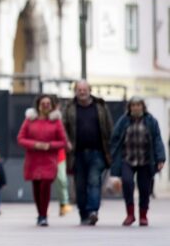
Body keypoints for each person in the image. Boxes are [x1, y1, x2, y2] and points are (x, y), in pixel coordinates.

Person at [62, 80, 114, 226]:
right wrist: (66, 141)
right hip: (76, 153)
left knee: (94, 181)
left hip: (97, 152)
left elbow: (109, 127)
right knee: (80, 185)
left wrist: (111, 149)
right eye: (79, 89)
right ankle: (83, 213)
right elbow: (62, 126)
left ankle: (93, 211)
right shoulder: (69, 107)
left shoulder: (101, 106)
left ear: (90, 90)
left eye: (84, 89)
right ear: (75, 91)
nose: (82, 92)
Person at [110, 96, 166, 226]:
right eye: (133, 105)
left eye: (138, 105)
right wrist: (113, 154)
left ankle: (143, 215)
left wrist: (160, 158)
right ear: (129, 107)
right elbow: (115, 138)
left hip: (145, 160)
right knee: (128, 183)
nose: (135, 108)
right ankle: (130, 214)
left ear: (143, 106)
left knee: (144, 188)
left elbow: (157, 139)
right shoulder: (124, 121)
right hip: (127, 159)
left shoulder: (151, 121)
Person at [18, 94, 67, 226]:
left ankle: (44, 215)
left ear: (51, 106)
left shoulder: (56, 122)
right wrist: (35, 144)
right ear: (38, 105)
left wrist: (49, 145)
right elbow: (21, 138)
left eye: (48, 103)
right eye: (43, 103)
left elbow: (63, 142)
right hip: (33, 159)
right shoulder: (30, 120)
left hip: (49, 160)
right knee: (36, 186)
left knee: (45, 185)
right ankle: (40, 214)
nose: (45, 106)